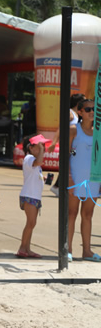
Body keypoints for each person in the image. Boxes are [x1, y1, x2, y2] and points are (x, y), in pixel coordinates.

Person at [67, 97, 100, 262]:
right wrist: (69, 177)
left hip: (93, 179)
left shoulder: (98, 132)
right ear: (80, 112)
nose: (92, 112)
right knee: (71, 214)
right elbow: (67, 153)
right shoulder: (73, 130)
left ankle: (86, 251)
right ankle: (67, 249)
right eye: (88, 110)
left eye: (94, 109)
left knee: (88, 214)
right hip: (75, 177)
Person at [16, 134, 47, 258]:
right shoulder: (29, 158)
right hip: (29, 195)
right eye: (40, 146)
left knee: (32, 223)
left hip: (34, 196)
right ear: (31, 148)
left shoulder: (34, 162)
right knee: (31, 222)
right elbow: (38, 161)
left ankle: (27, 248)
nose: (42, 148)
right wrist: (42, 149)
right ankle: (22, 247)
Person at [47, 93, 85, 196]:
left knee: (71, 164)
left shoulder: (78, 114)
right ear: (78, 102)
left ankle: (58, 186)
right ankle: (59, 187)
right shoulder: (70, 113)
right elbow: (60, 128)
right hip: (68, 145)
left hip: (75, 144)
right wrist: (54, 143)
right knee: (70, 163)